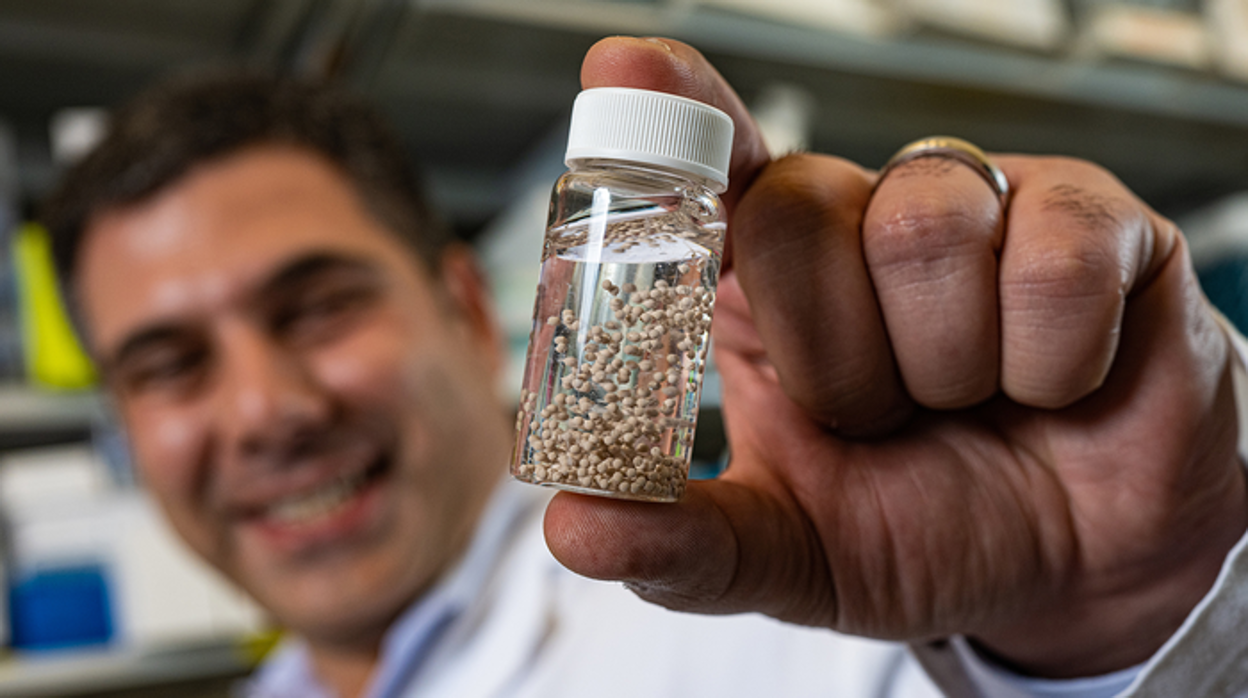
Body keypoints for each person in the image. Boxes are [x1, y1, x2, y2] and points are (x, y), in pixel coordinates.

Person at [40, 35, 1247, 698]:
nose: (266, 408)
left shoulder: (815, 631)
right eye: (169, 364)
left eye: (315, 308)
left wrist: (1120, 629)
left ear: (469, 307)